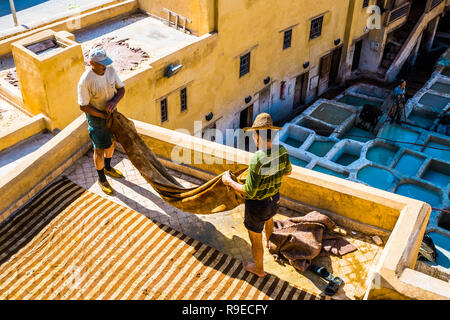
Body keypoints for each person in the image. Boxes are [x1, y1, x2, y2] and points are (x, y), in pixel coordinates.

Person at [222, 113, 292, 277]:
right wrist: (273, 176)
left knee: (255, 239)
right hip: (274, 197)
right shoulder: (282, 150)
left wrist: (229, 182)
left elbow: (249, 191)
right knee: (269, 218)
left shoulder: (257, 159)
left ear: (257, 136)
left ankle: (259, 269)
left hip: (257, 205)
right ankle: (270, 241)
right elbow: (288, 172)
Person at [78, 47, 126, 195]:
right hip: (96, 118)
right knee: (99, 149)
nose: (104, 67)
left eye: (105, 63)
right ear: (91, 63)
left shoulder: (110, 70)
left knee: (111, 142)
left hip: (112, 114)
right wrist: (103, 115)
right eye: (101, 64)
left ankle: (108, 166)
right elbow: (83, 106)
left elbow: (121, 89)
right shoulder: (85, 81)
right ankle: (101, 178)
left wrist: (114, 102)